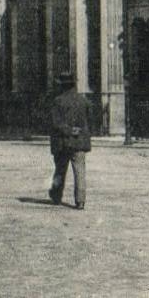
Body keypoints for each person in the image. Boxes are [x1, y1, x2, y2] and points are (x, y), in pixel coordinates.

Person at [47, 73, 93, 208]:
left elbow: (55, 123)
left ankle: (56, 196)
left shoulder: (58, 101)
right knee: (80, 171)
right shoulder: (83, 100)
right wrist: (81, 130)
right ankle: (80, 201)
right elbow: (90, 119)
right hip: (79, 141)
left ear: (62, 86)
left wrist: (68, 130)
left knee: (60, 170)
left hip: (63, 142)